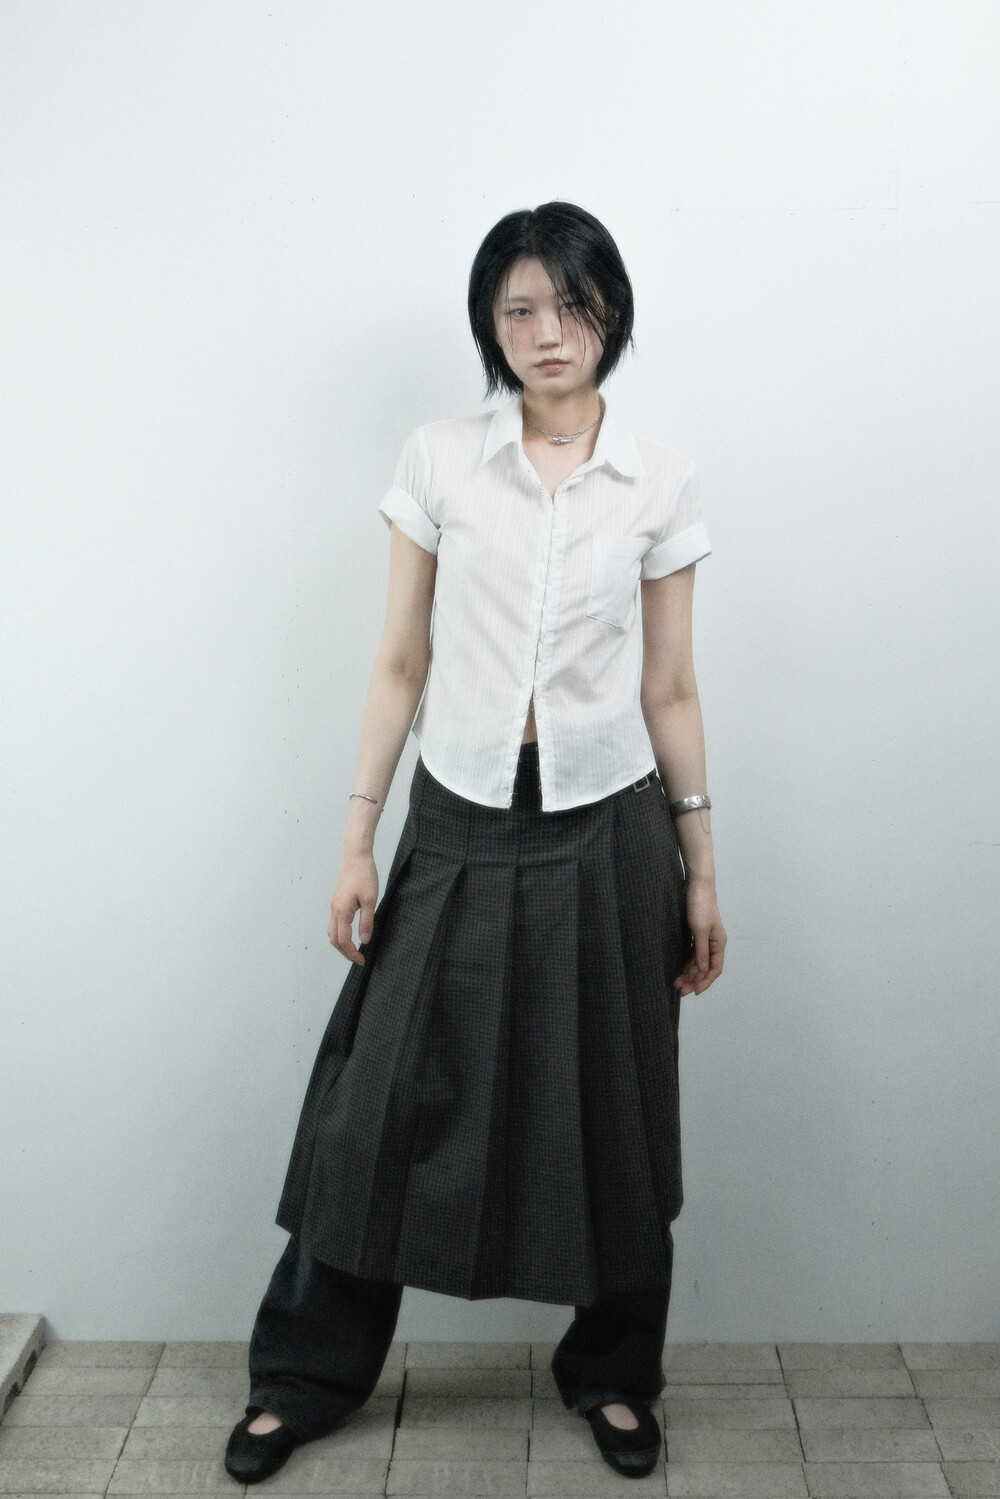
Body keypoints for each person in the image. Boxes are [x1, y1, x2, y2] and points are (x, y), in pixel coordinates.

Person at [225, 200, 726, 1486]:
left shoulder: (660, 478)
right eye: (519, 309)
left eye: (572, 304)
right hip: (455, 813)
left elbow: (670, 686)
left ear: (611, 311)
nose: (548, 331)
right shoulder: (443, 459)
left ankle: (613, 1373)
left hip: (608, 823)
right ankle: (303, 1373)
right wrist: (357, 840)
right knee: (374, 1105)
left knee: (616, 1103)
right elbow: (401, 659)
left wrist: (701, 870)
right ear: (489, 326)